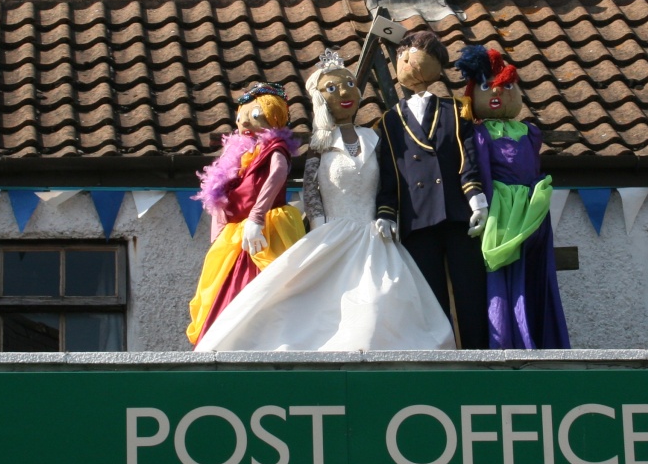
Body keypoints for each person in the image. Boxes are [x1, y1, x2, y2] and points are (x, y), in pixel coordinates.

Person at [195, 50, 456, 352]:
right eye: (332, 88)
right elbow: (310, 189)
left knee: (380, 297)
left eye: (348, 84)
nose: (344, 93)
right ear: (320, 98)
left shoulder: (375, 139)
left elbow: (390, 181)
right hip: (331, 232)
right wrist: (319, 224)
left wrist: (387, 214)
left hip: (374, 235)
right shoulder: (319, 145)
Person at [375, 30, 490, 349]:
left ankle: (479, 355)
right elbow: (389, 173)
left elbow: (467, 159)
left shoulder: (455, 110)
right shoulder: (389, 121)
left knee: (471, 293)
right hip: (416, 220)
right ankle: (438, 359)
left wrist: (476, 200)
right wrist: (387, 212)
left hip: (457, 215)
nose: (407, 61)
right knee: (428, 298)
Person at [455, 45, 570, 349]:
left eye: (506, 85)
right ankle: (505, 341)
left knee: (533, 276)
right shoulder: (477, 133)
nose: (497, 92)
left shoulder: (530, 132)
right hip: (502, 213)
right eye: (487, 86)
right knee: (503, 277)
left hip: (532, 211)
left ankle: (537, 338)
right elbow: (478, 172)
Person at [186, 82, 305, 347]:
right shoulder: (239, 154)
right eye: (241, 118)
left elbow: (277, 175)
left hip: (269, 227)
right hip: (235, 233)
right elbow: (219, 198)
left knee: (266, 286)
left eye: (253, 117)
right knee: (223, 289)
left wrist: (257, 216)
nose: (245, 124)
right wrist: (218, 235)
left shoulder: (274, 148)